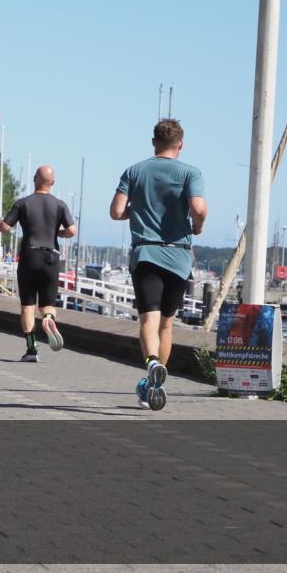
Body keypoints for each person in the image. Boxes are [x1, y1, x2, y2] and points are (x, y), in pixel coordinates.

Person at [109, 118, 207, 411]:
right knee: (166, 324)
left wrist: (136, 210)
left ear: (154, 142)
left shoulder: (134, 171)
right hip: (178, 257)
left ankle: (151, 363)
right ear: (181, 144)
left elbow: (115, 212)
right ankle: (156, 385)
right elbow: (199, 208)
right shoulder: (191, 173)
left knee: (148, 321)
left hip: (147, 254)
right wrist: (197, 225)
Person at [0, 166, 76, 363]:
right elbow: (72, 231)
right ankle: (49, 319)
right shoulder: (60, 205)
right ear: (53, 183)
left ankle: (32, 349)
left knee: (27, 306)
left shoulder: (23, 203)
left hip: (29, 256)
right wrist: (59, 233)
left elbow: (5, 227)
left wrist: (5, 225)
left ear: (34, 179)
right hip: (51, 256)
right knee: (48, 304)